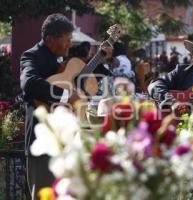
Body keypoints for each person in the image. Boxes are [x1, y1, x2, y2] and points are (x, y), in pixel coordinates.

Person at [20, 13, 112, 198]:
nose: (70, 44)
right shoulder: (31, 56)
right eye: (67, 39)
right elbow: (29, 83)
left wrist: (102, 59)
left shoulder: (61, 58)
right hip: (43, 143)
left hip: (69, 143)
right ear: (49, 39)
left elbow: (81, 80)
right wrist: (65, 96)